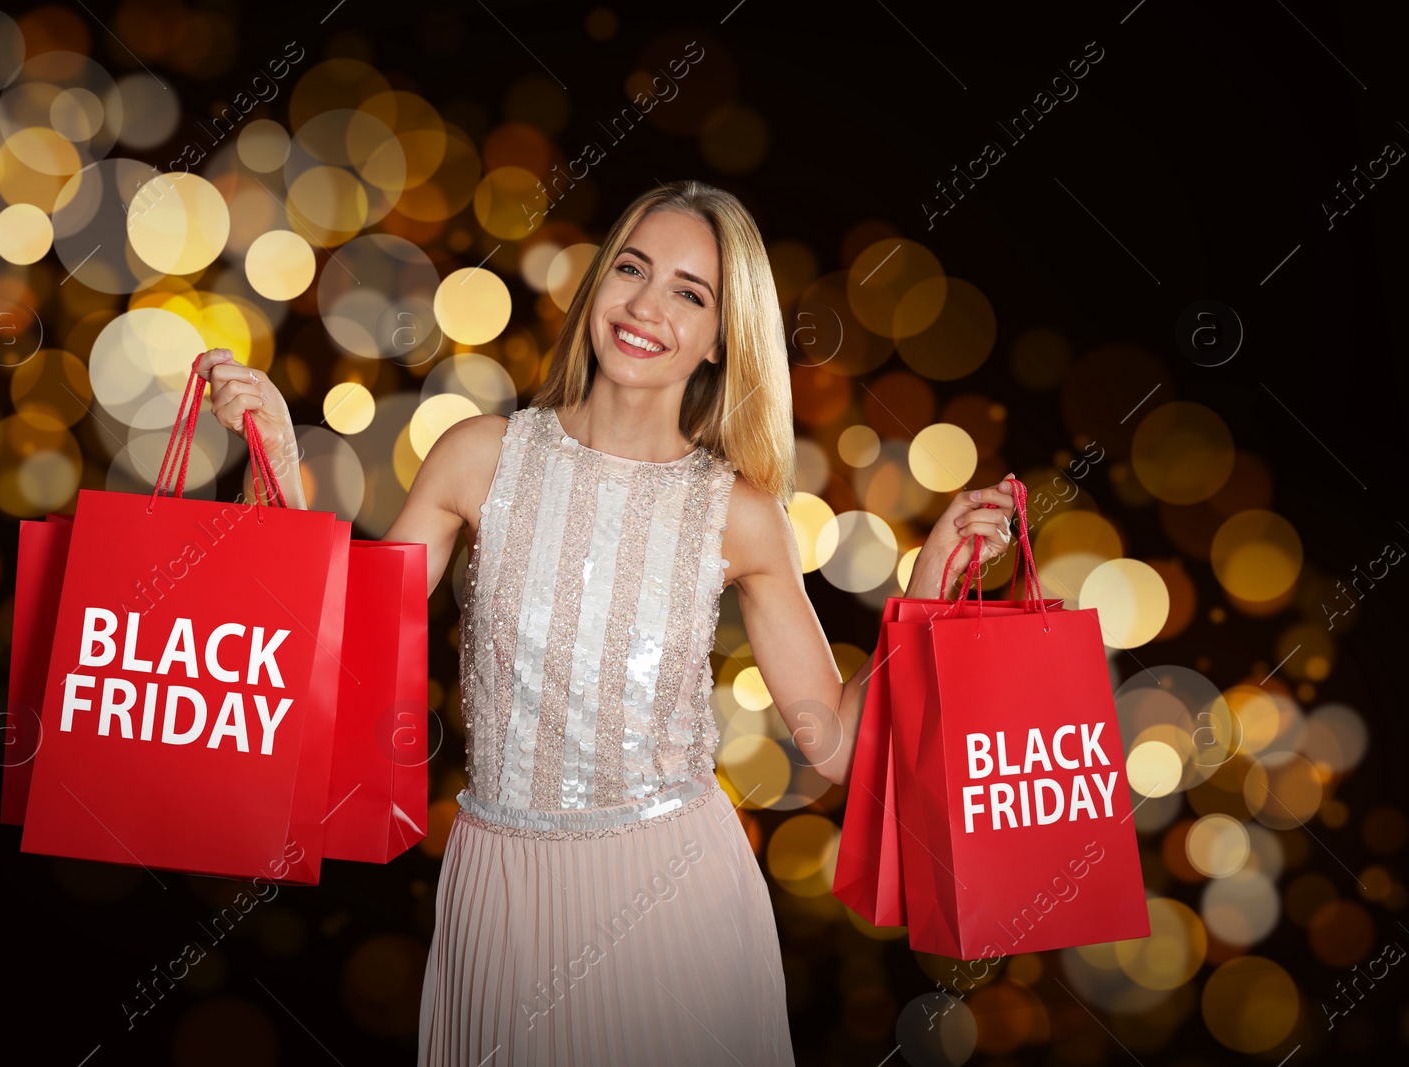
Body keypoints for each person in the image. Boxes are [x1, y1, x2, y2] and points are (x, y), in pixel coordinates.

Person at [196, 180, 1017, 1065]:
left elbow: (836, 744)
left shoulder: (740, 513)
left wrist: (925, 591)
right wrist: (278, 467)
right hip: (499, 895)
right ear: (597, 288)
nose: (646, 305)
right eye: (632, 269)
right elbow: (337, 653)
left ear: (718, 342)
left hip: (672, 896)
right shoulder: (479, 454)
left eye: (689, 293)